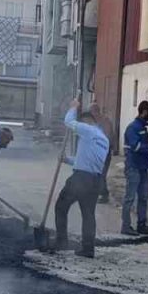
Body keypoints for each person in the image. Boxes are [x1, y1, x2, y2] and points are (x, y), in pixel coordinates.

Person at [50, 99, 109, 258]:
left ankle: (61, 242)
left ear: (88, 121)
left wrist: (73, 108)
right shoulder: (103, 139)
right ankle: (88, 249)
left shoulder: (89, 130)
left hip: (81, 179)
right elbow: (86, 161)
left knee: (61, 206)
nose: (79, 130)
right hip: (95, 180)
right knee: (88, 214)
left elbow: (69, 122)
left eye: (81, 124)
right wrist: (67, 160)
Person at [121, 101, 148, 235]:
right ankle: (125, 226)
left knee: (143, 197)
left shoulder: (142, 127)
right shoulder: (133, 128)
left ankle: (142, 224)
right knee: (129, 197)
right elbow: (135, 146)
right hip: (133, 167)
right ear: (145, 111)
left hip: (142, 168)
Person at [90, 103, 115, 204]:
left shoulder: (105, 121)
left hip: (104, 152)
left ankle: (104, 195)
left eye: (92, 112)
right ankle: (99, 193)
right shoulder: (93, 122)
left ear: (95, 111)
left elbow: (108, 137)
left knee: (101, 174)